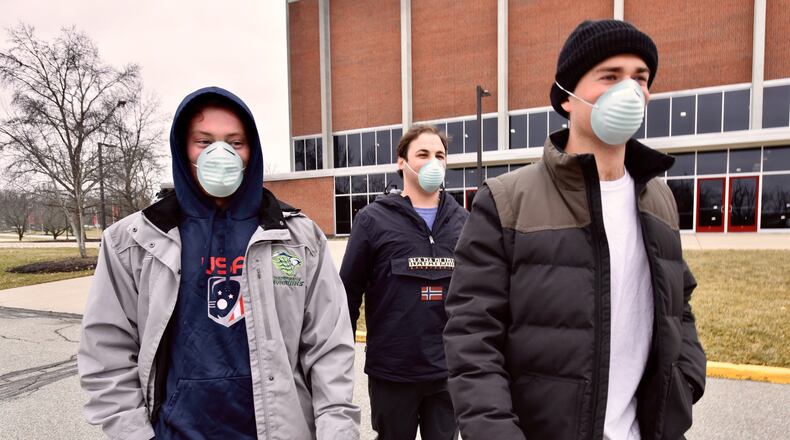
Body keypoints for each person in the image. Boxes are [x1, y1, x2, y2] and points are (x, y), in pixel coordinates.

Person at [443, 20, 707, 440]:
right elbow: (472, 339)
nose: (631, 91)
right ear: (567, 97)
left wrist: (686, 379)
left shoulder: (659, 199)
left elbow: (680, 304)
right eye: (610, 76)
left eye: (640, 78)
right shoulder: (506, 200)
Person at [78, 86, 360, 440]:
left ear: (251, 152)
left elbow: (329, 347)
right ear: (183, 149)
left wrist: (337, 432)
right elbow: (107, 351)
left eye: (235, 142)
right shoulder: (133, 241)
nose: (220, 153)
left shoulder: (300, 238)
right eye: (204, 141)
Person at [341, 125, 468, 440]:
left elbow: (477, 294)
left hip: (447, 372)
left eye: (439, 155)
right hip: (393, 372)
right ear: (402, 162)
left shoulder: (464, 221)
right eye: (422, 154)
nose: (433, 162)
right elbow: (347, 293)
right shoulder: (372, 220)